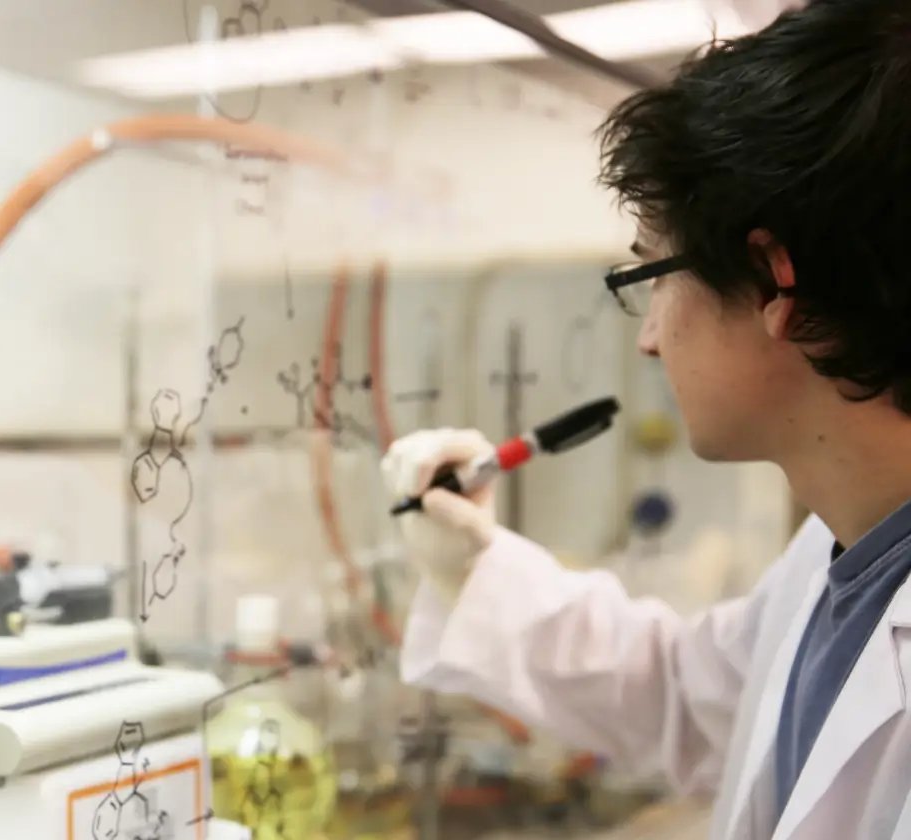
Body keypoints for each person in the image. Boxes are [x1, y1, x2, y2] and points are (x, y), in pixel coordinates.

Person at [381, 1, 911, 838]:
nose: (652, 340)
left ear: (776, 281)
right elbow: (691, 696)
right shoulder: (846, 555)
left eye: (652, 277)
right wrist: (474, 566)